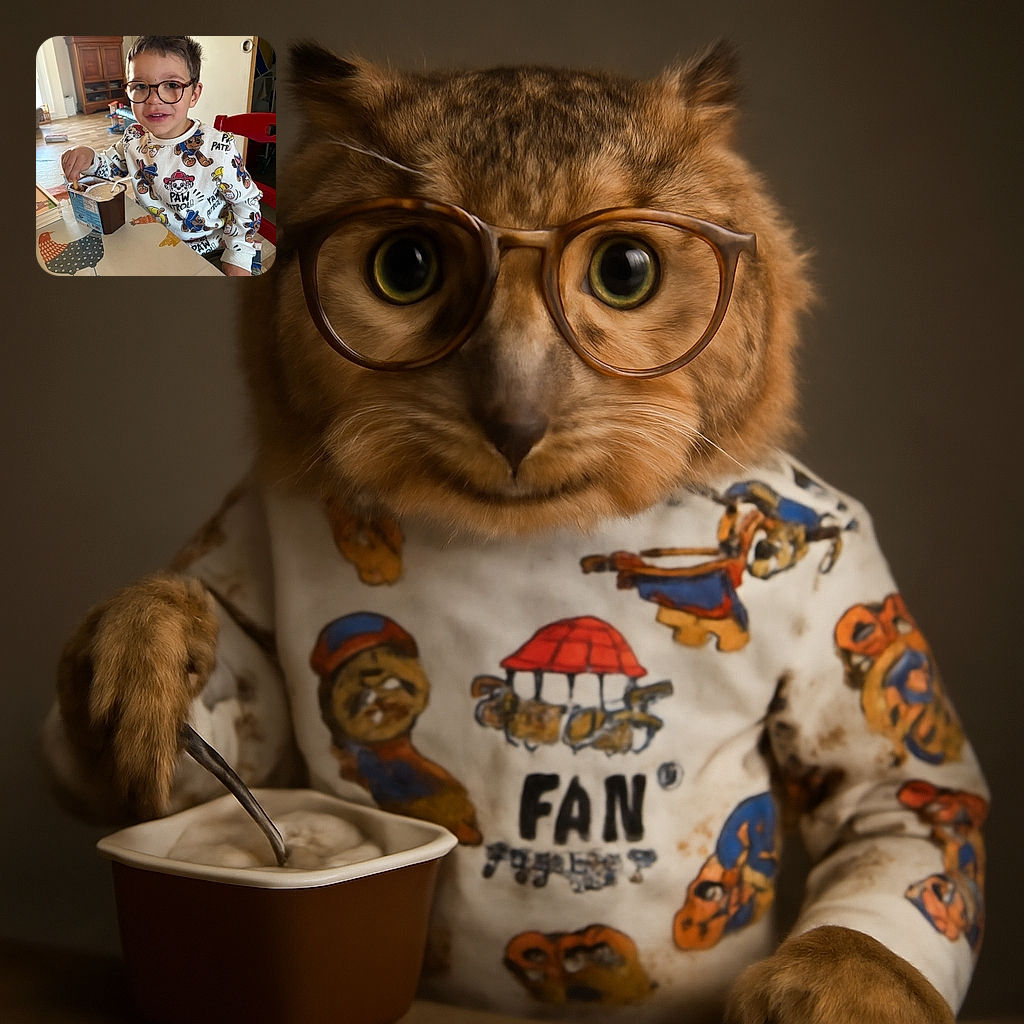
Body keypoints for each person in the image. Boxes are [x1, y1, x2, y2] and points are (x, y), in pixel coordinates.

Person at [61, 36, 264, 276]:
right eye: (140, 86)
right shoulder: (133, 136)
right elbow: (111, 166)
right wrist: (90, 158)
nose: (154, 99)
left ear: (194, 94)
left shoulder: (218, 148)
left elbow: (246, 203)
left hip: (210, 249)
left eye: (172, 85)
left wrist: (238, 256)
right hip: (152, 238)